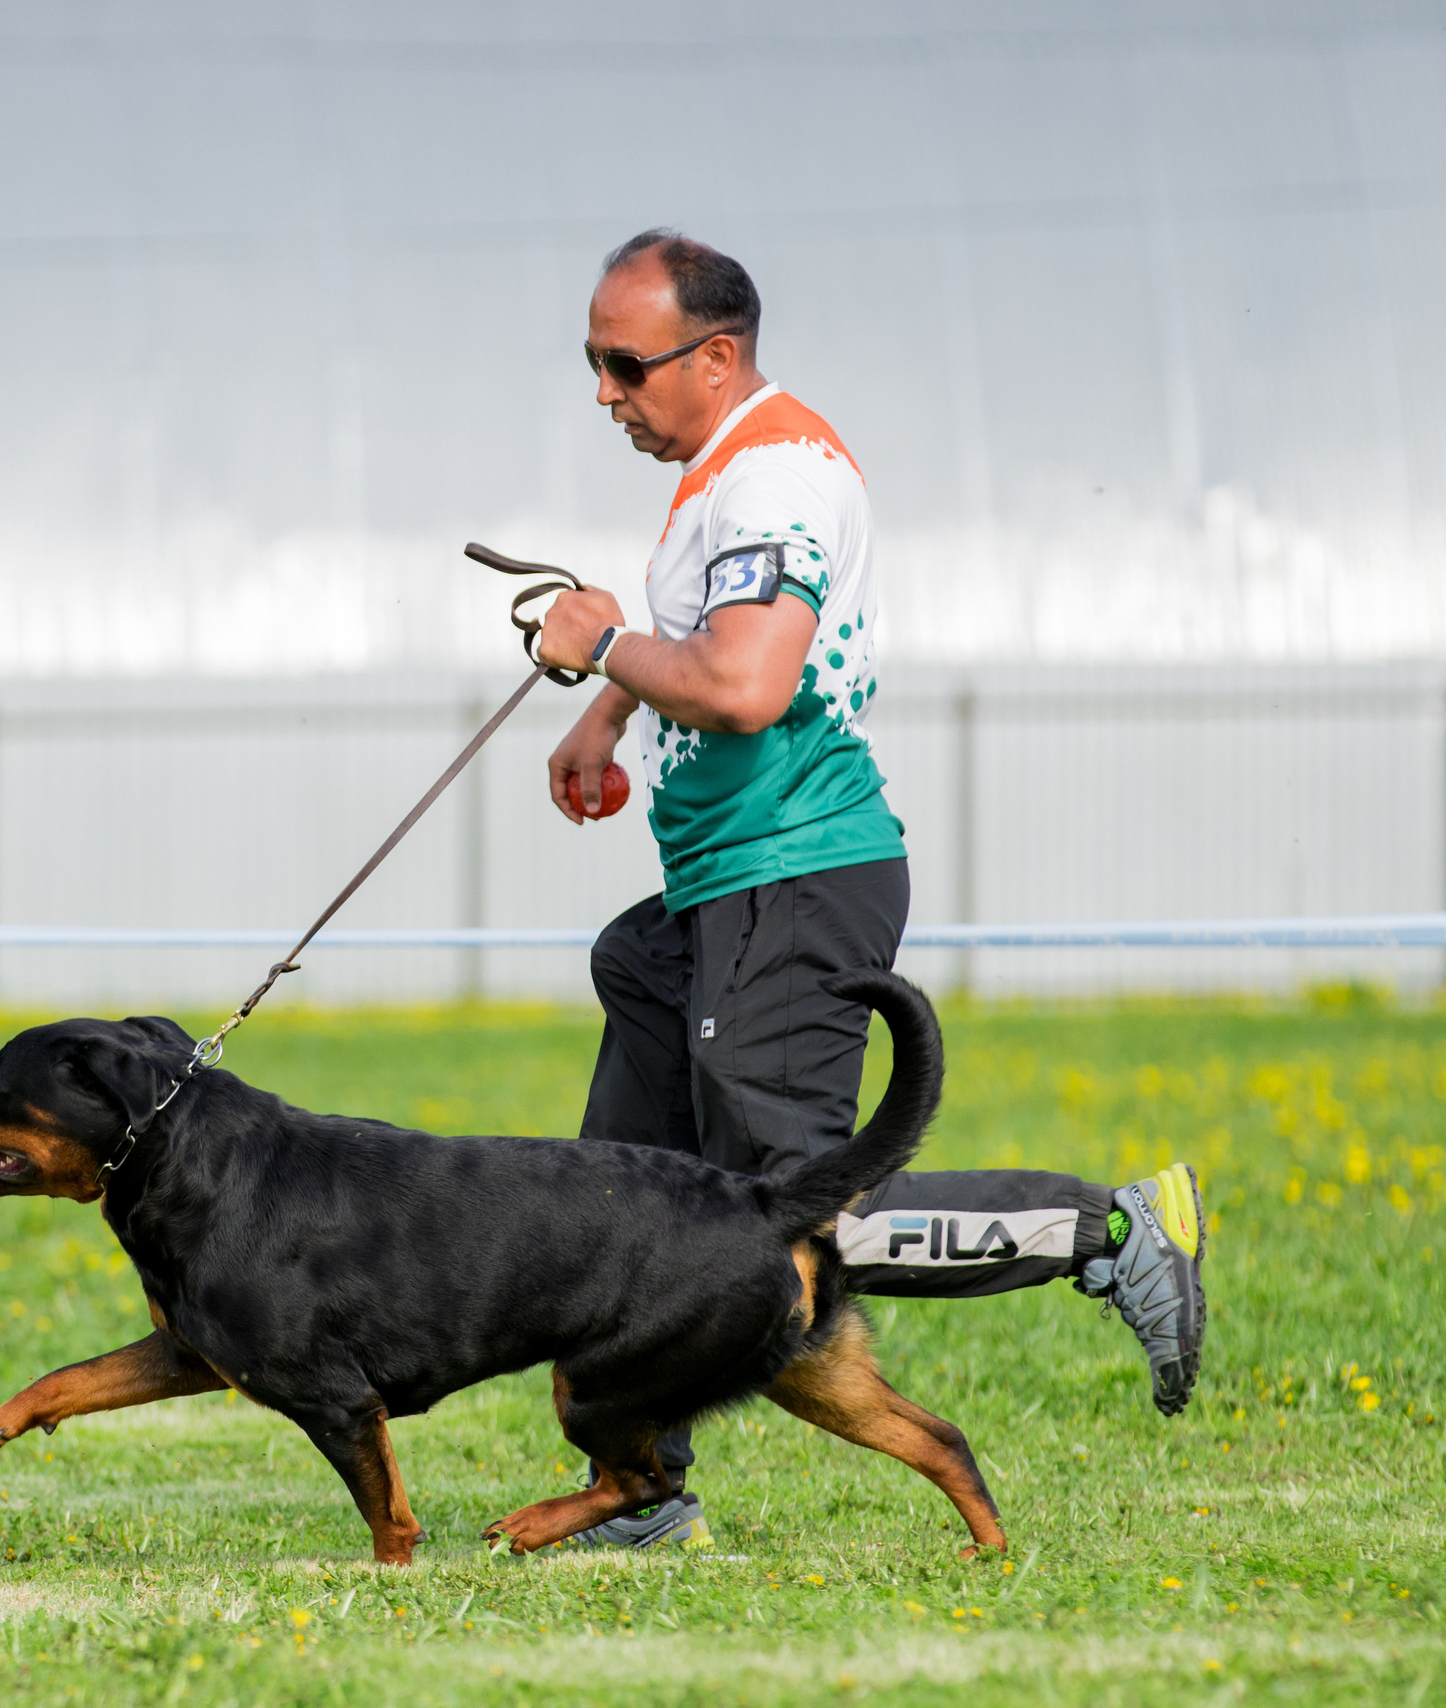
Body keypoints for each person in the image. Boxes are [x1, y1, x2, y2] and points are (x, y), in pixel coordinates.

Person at [531, 230, 1207, 1550]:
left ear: (714, 357)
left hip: (798, 878)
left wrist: (602, 641)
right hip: (724, 883)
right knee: (630, 1190)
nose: (605, 393)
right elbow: (706, 641)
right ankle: (639, 1490)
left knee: (798, 1219)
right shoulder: (720, 470)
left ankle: (1116, 1230)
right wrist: (606, 709)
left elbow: (744, 684)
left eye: (625, 366)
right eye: (593, 364)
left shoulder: (778, 477)